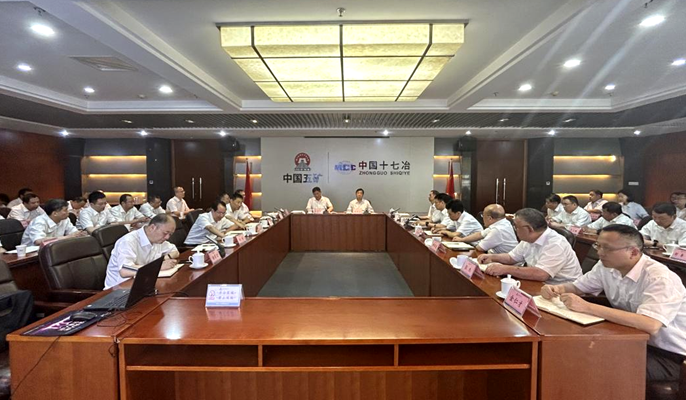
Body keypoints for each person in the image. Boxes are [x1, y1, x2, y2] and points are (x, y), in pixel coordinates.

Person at [541, 224, 686, 384]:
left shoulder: (659, 278)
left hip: (669, 355)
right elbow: (578, 287)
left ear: (633, 252)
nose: (600, 252)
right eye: (598, 245)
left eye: (607, 248)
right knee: (571, 352)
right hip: (632, 340)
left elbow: (650, 324)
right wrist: (558, 288)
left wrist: (588, 307)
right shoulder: (606, 266)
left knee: (594, 364)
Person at [477, 208, 582, 283]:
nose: (515, 230)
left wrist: (505, 269)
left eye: (516, 227)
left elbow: (541, 274)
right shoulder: (528, 239)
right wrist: (492, 257)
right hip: (540, 285)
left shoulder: (556, 243)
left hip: (563, 290)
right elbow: (511, 257)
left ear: (529, 229)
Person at [104, 213, 180, 289]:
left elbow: (175, 251)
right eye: (165, 233)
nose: (167, 237)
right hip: (118, 289)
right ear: (152, 227)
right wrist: (158, 266)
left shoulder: (158, 240)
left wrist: (165, 258)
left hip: (142, 283)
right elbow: (125, 270)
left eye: (170, 234)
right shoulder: (128, 241)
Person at [452, 204, 518, 254]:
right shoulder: (503, 222)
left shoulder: (498, 230)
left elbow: (480, 248)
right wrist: (461, 239)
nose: (482, 218)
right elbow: (480, 234)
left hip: (504, 263)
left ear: (490, 218)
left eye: (483, 216)